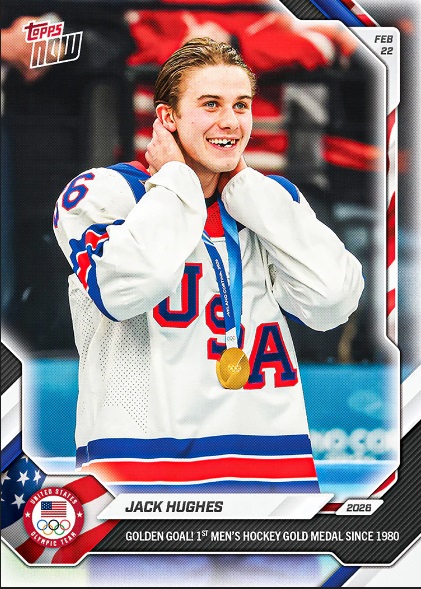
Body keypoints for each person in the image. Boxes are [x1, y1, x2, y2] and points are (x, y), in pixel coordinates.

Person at [53, 38, 364, 491]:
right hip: (142, 477)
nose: (230, 121)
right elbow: (127, 290)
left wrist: (247, 190)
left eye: (241, 105)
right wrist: (176, 181)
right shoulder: (103, 193)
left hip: (273, 473)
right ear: (167, 118)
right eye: (210, 104)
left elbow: (333, 301)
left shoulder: (269, 201)